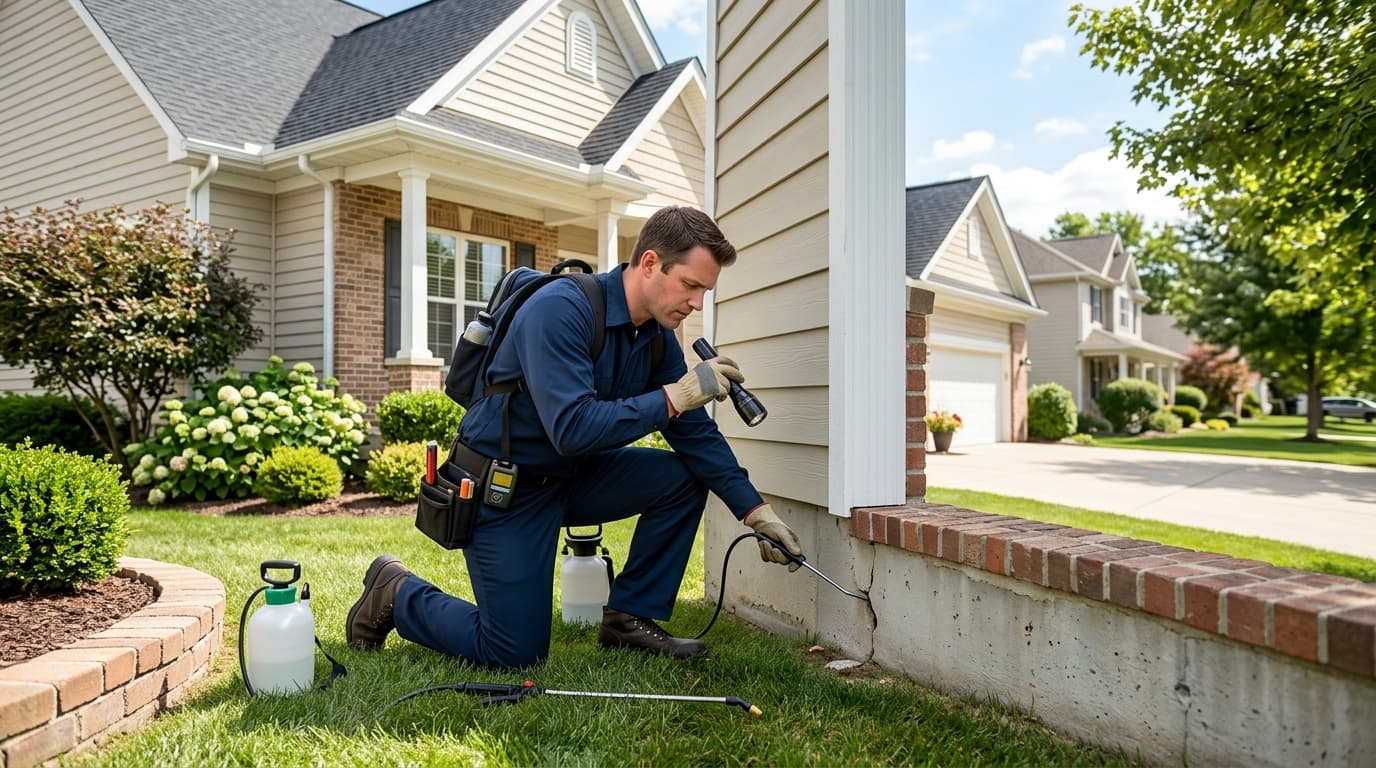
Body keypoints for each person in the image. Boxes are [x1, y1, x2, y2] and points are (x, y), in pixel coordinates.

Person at [346, 206, 804, 669]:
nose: (698, 303)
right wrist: (674, 396)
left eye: (705, 290)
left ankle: (630, 618)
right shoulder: (560, 309)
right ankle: (397, 591)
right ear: (649, 264)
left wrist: (756, 512)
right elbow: (572, 428)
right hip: (504, 489)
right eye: (691, 285)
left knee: (682, 475)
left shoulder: (655, 336)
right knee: (512, 654)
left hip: (570, 477)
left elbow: (693, 433)